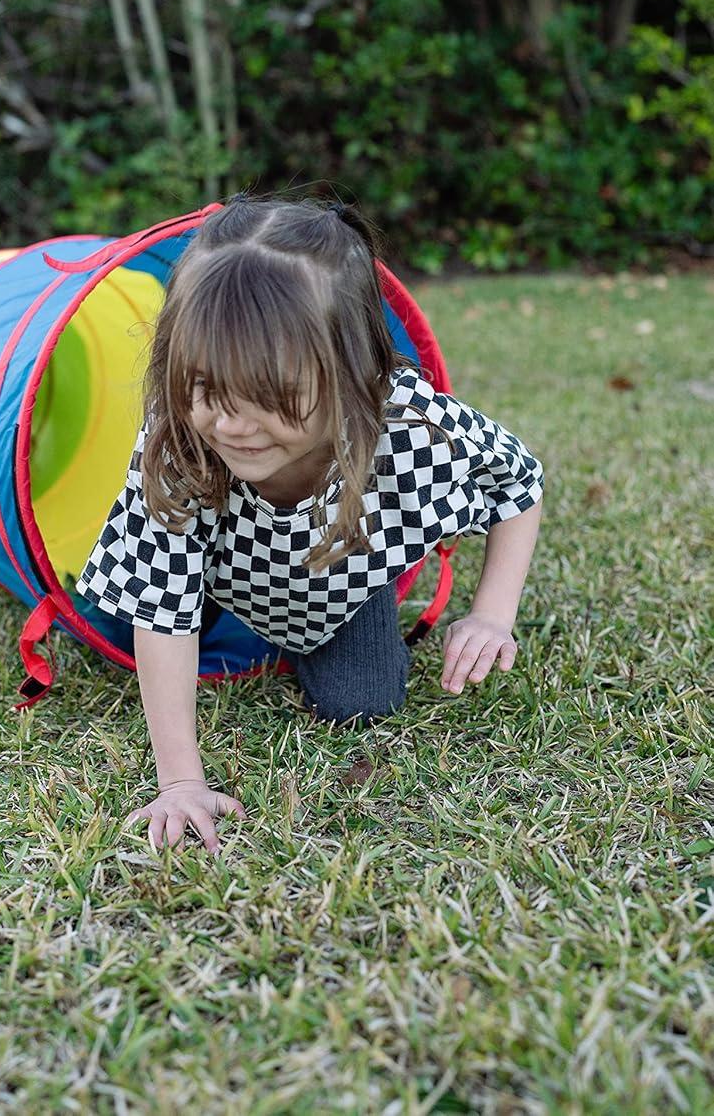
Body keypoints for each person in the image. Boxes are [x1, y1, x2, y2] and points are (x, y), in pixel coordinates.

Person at [75, 191, 545, 856]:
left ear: (353, 372)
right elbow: (161, 608)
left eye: (270, 396)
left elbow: (517, 484)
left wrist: (492, 614)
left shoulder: (408, 425)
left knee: (366, 703)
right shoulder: (183, 439)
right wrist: (180, 780)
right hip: (208, 579)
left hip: (333, 586)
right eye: (206, 386)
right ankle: (145, 608)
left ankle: (295, 636)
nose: (231, 424)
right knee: (105, 630)